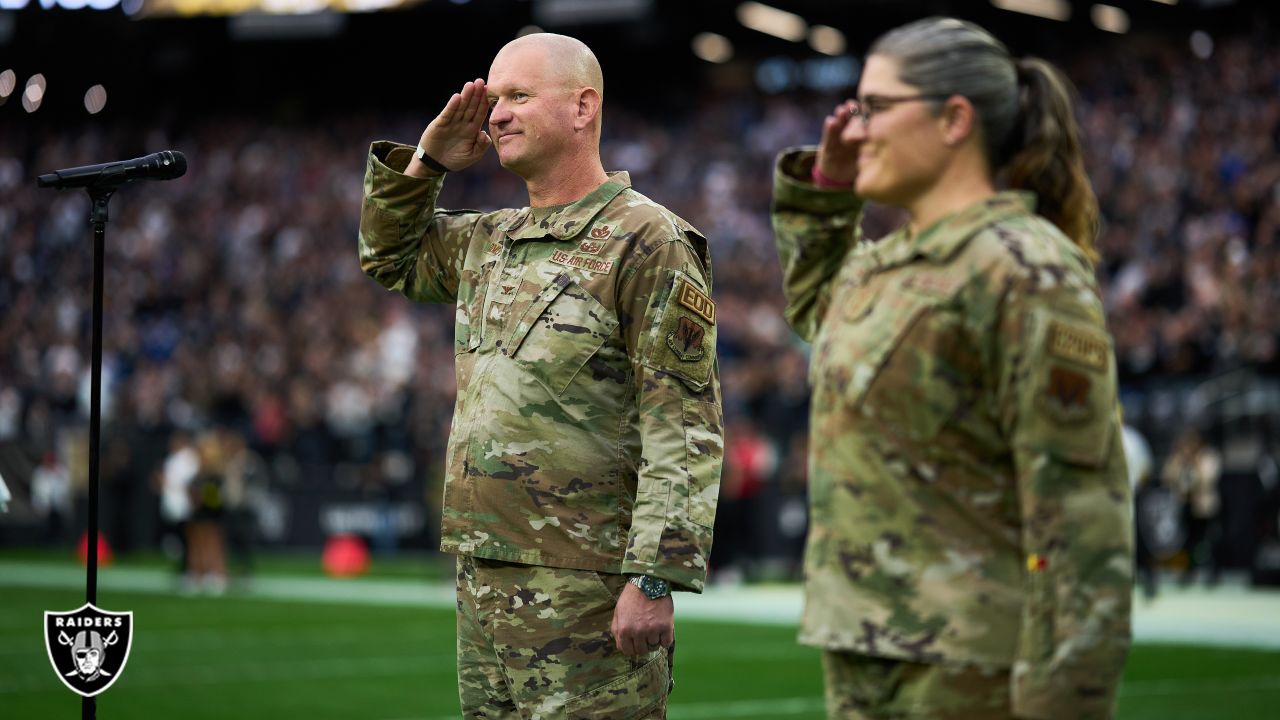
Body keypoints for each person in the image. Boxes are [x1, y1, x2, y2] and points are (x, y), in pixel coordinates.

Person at [770, 17, 1133, 720]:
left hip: (972, 666)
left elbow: (1081, 520)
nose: (853, 126)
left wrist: (1064, 701)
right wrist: (828, 188)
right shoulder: (887, 264)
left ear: (954, 120)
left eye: (876, 108)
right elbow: (821, 309)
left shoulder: (1024, 268)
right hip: (869, 649)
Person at [358, 32, 722, 719]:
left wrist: (655, 573)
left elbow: (682, 419)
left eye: (518, 96)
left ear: (583, 108)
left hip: (587, 585)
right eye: (492, 100)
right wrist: (429, 160)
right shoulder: (490, 239)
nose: (494, 115)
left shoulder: (647, 239)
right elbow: (387, 256)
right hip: (483, 574)